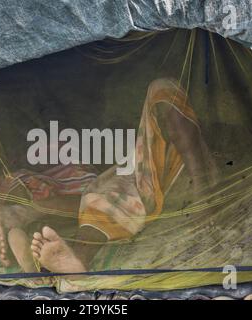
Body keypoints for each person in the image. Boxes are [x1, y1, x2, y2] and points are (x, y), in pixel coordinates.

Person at [29, 78, 218, 273]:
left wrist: (202, 189)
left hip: (182, 178)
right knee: (102, 197)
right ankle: (76, 260)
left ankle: (73, 257)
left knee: (162, 87)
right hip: (142, 178)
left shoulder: (208, 144)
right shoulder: (145, 154)